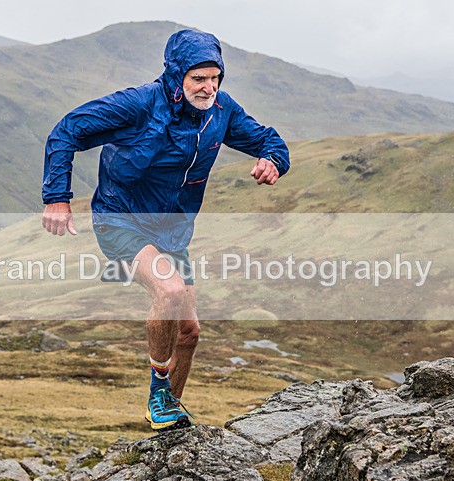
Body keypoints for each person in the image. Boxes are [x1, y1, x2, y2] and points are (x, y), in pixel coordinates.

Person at [41, 29, 290, 431]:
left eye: (216, 78)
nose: (209, 88)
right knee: (169, 291)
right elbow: (67, 130)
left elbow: (265, 138)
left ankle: (167, 416)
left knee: (189, 333)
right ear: (177, 75)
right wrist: (56, 197)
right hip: (120, 219)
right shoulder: (139, 105)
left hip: (172, 234)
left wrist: (273, 160)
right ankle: (159, 392)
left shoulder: (220, 111)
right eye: (199, 78)